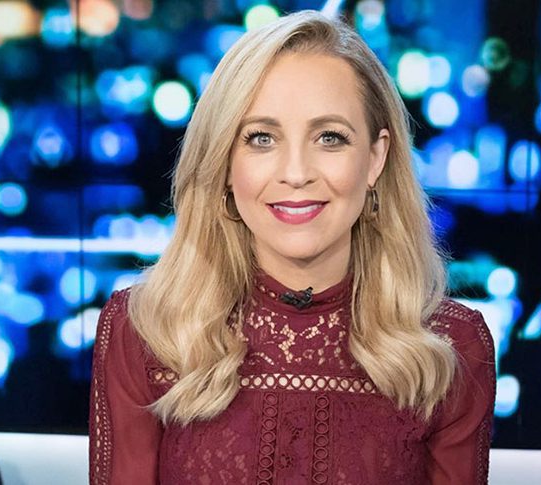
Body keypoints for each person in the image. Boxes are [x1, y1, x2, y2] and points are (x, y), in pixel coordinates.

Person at [89, 9, 495, 485]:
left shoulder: (450, 348)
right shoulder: (146, 332)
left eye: (330, 138)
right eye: (262, 138)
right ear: (224, 161)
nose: (297, 173)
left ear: (375, 158)